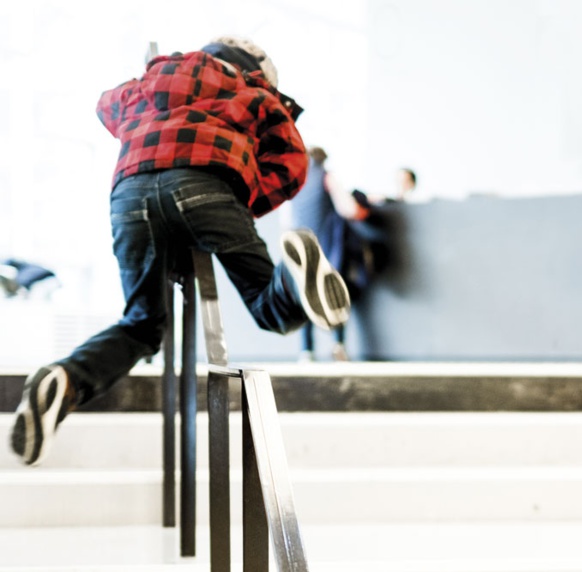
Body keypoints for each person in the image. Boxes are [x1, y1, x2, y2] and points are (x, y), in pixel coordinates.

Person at [9, 36, 351, 466]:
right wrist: (246, 201)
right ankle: (291, 275)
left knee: (141, 324)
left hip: (130, 195)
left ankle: (65, 378)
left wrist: (149, 97)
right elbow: (290, 162)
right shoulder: (254, 90)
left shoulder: (155, 78)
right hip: (209, 185)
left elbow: (107, 105)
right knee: (271, 309)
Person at [290, 146, 369, 362]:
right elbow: (349, 209)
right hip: (327, 247)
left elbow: (287, 220)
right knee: (335, 295)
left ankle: (306, 351)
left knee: (306, 297)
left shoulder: (296, 181)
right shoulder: (327, 177)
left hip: (301, 249)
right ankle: (338, 345)